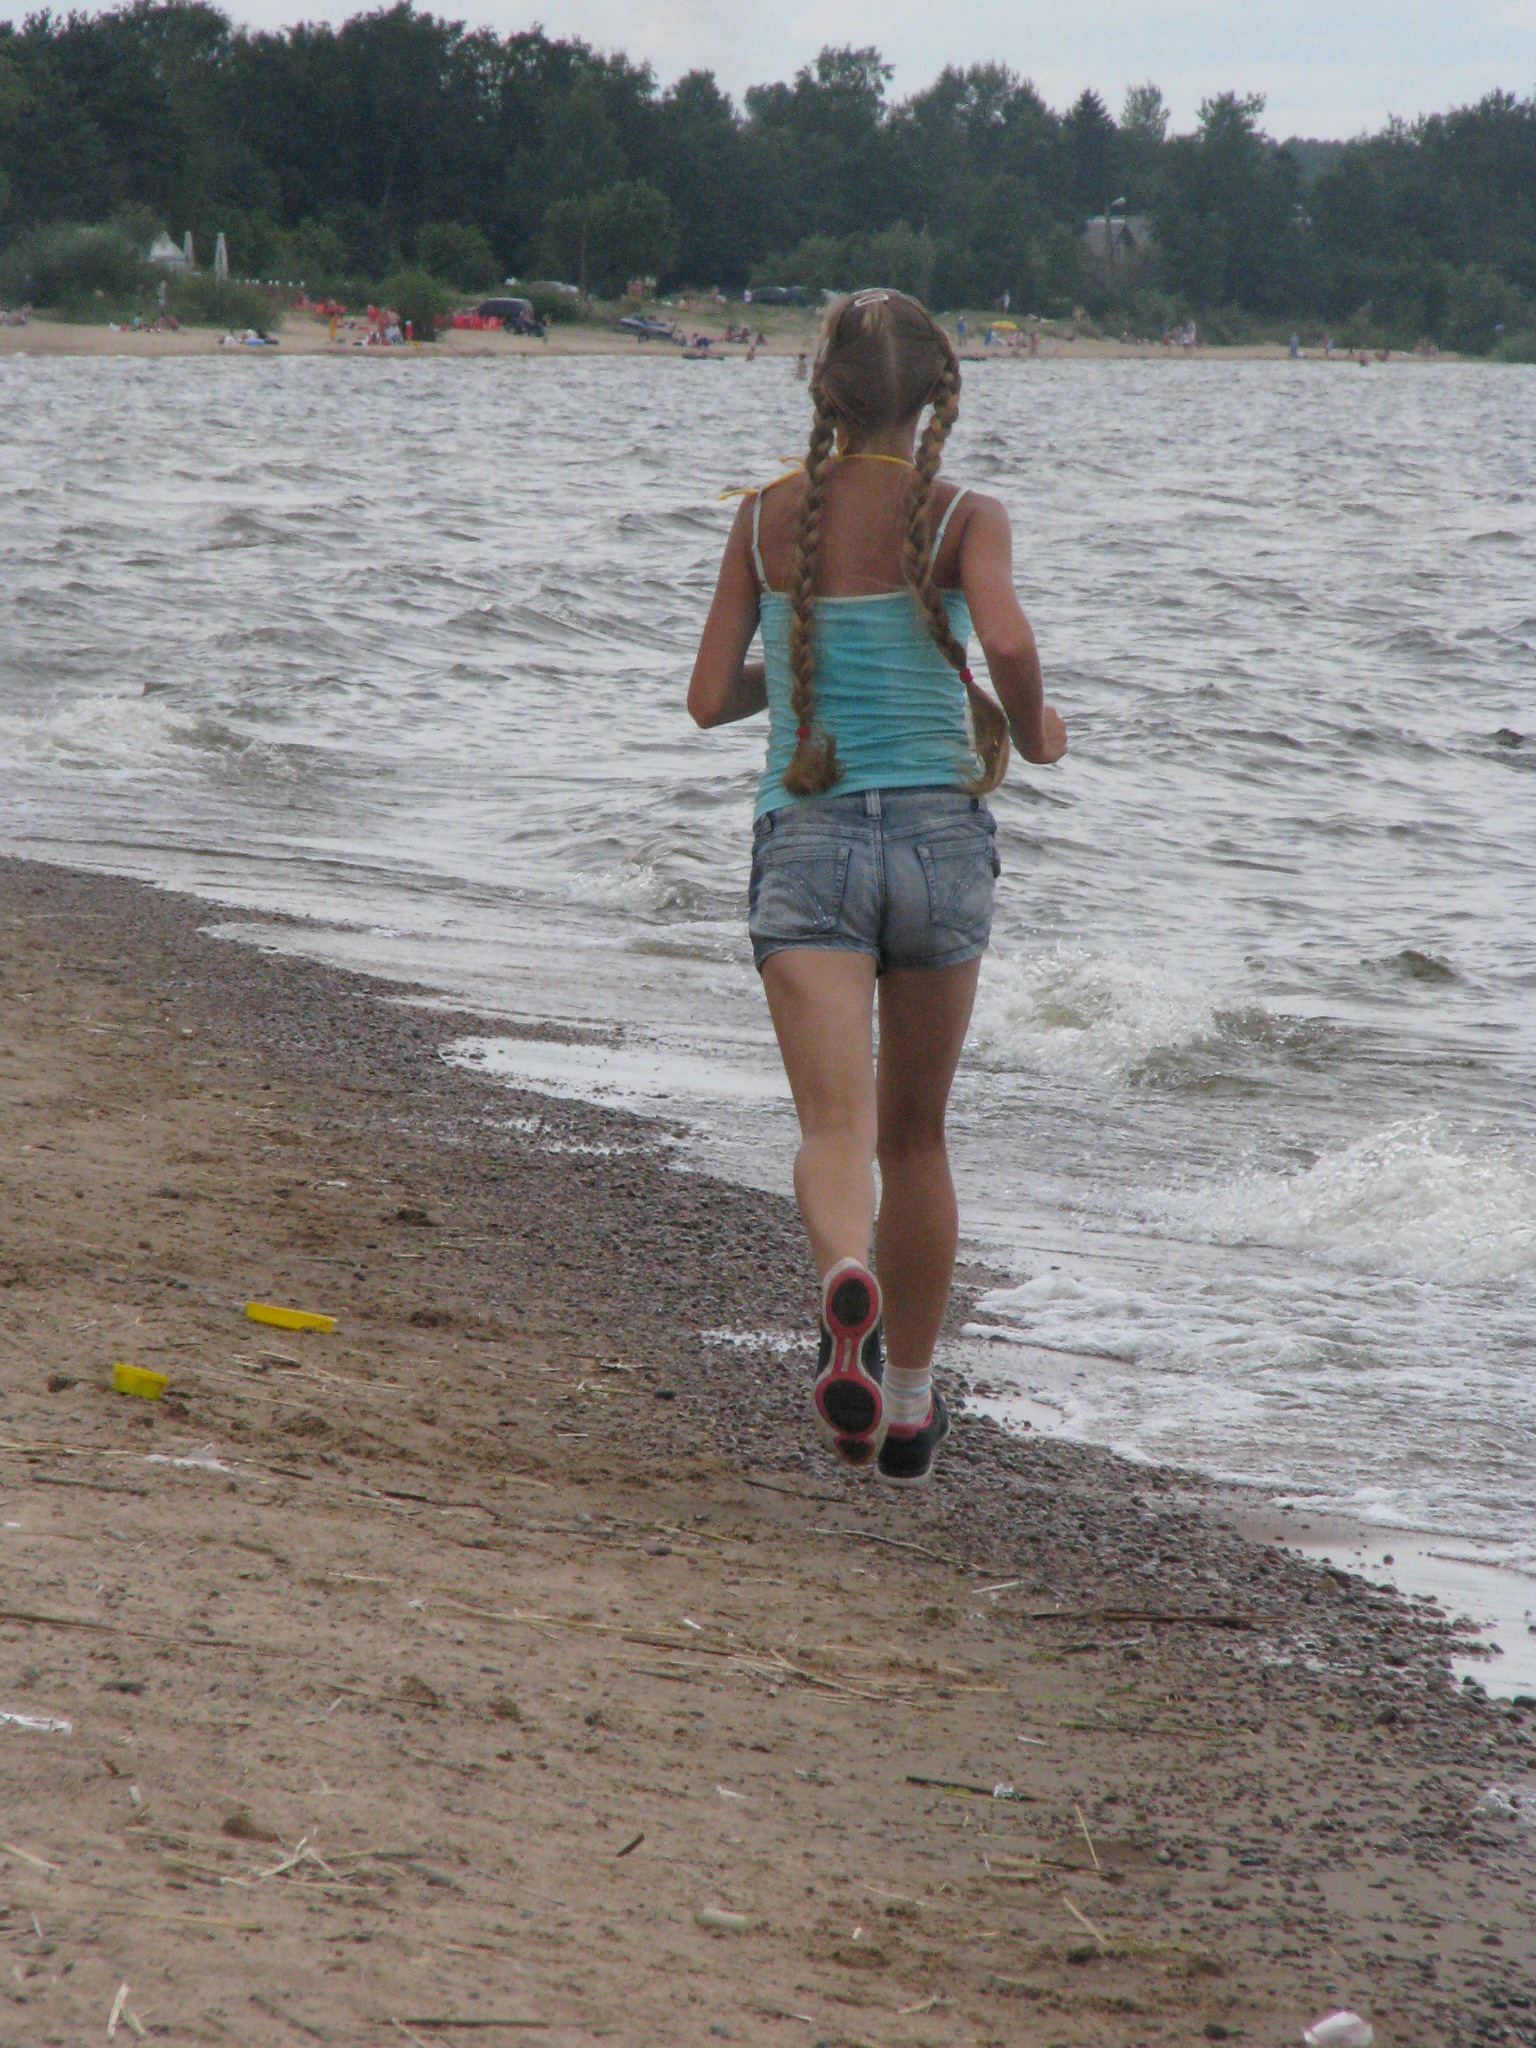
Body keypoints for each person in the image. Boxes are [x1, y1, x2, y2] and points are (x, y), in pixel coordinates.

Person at [688, 289, 1067, 1487]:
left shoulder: (764, 521)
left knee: (835, 1129)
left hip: (809, 836)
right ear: (941, 398)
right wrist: (1036, 729)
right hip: (939, 841)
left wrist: (807, 657)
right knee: (918, 1137)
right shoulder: (966, 515)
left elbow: (706, 698)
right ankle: (906, 1404)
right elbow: (1009, 644)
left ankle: (843, 1273)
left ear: (824, 393)